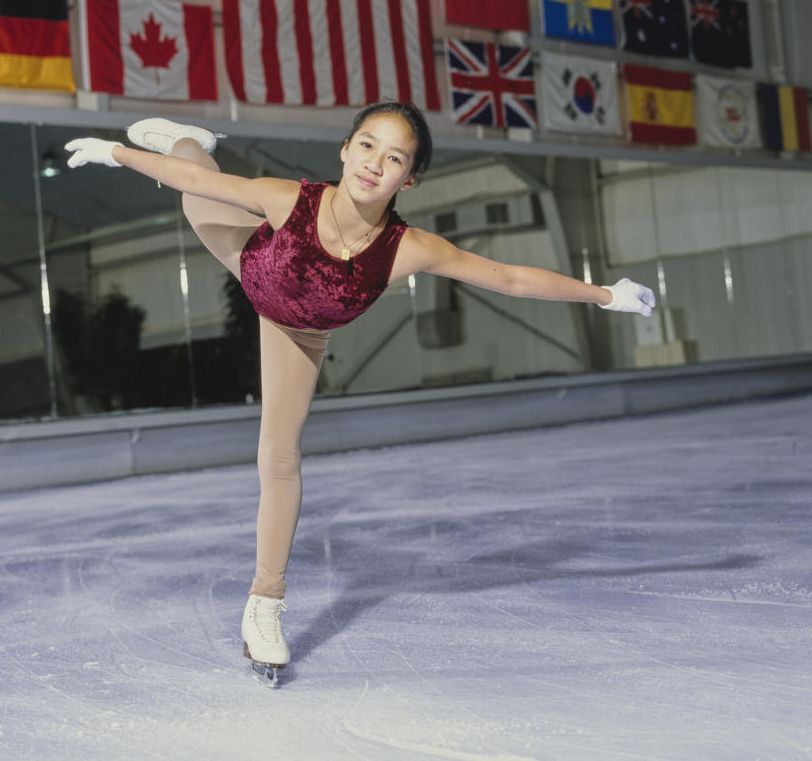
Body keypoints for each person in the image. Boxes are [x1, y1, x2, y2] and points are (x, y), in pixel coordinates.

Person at [65, 103, 654, 685]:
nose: (375, 163)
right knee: (204, 192)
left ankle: (263, 606)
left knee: (279, 456)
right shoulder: (289, 199)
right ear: (346, 150)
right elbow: (192, 181)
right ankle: (188, 136)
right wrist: (114, 153)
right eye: (367, 145)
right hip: (250, 260)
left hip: (300, 333)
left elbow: (507, 277)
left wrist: (605, 294)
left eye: (395, 157)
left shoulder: (407, 248)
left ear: (410, 177)